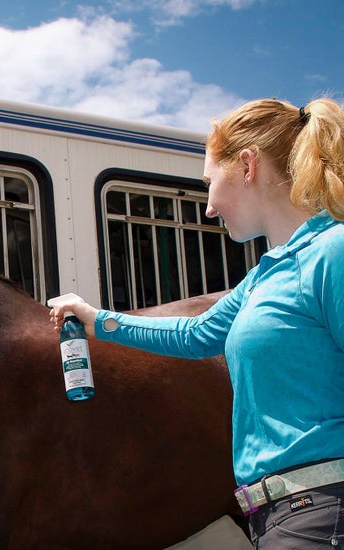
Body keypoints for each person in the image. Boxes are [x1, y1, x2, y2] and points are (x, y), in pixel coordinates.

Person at [50, 98, 344, 549]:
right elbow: (197, 334)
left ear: (247, 165)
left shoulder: (334, 252)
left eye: (209, 182)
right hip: (278, 515)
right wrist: (97, 321)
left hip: (322, 509)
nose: (207, 207)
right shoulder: (265, 276)